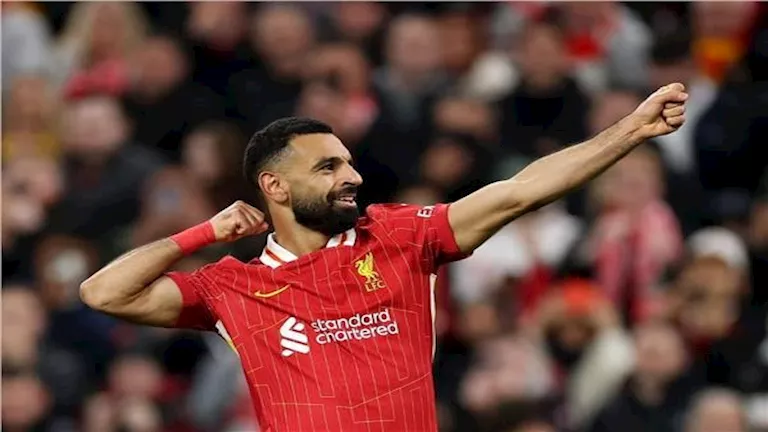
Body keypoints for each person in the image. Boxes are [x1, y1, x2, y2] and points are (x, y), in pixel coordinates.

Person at [80, 83, 688, 431]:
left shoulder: (399, 237)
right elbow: (103, 293)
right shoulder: (232, 286)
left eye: (348, 162)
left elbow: (518, 191)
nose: (352, 176)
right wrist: (202, 234)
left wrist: (630, 132)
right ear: (274, 187)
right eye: (328, 167)